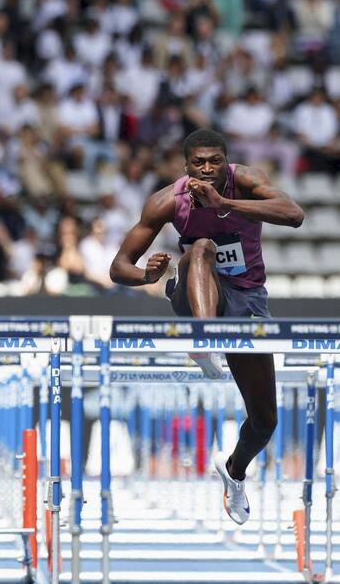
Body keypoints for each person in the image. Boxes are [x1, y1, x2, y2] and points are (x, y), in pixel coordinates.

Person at [109, 128, 304, 525]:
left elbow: (295, 215)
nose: (207, 168)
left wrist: (224, 203)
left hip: (247, 300)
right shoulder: (168, 200)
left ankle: (234, 473)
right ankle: (203, 338)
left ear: (226, 162)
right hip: (193, 295)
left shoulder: (245, 181)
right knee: (201, 248)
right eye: (199, 162)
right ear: (186, 165)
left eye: (215, 161)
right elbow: (118, 267)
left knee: (265, 420)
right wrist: (146, 276)